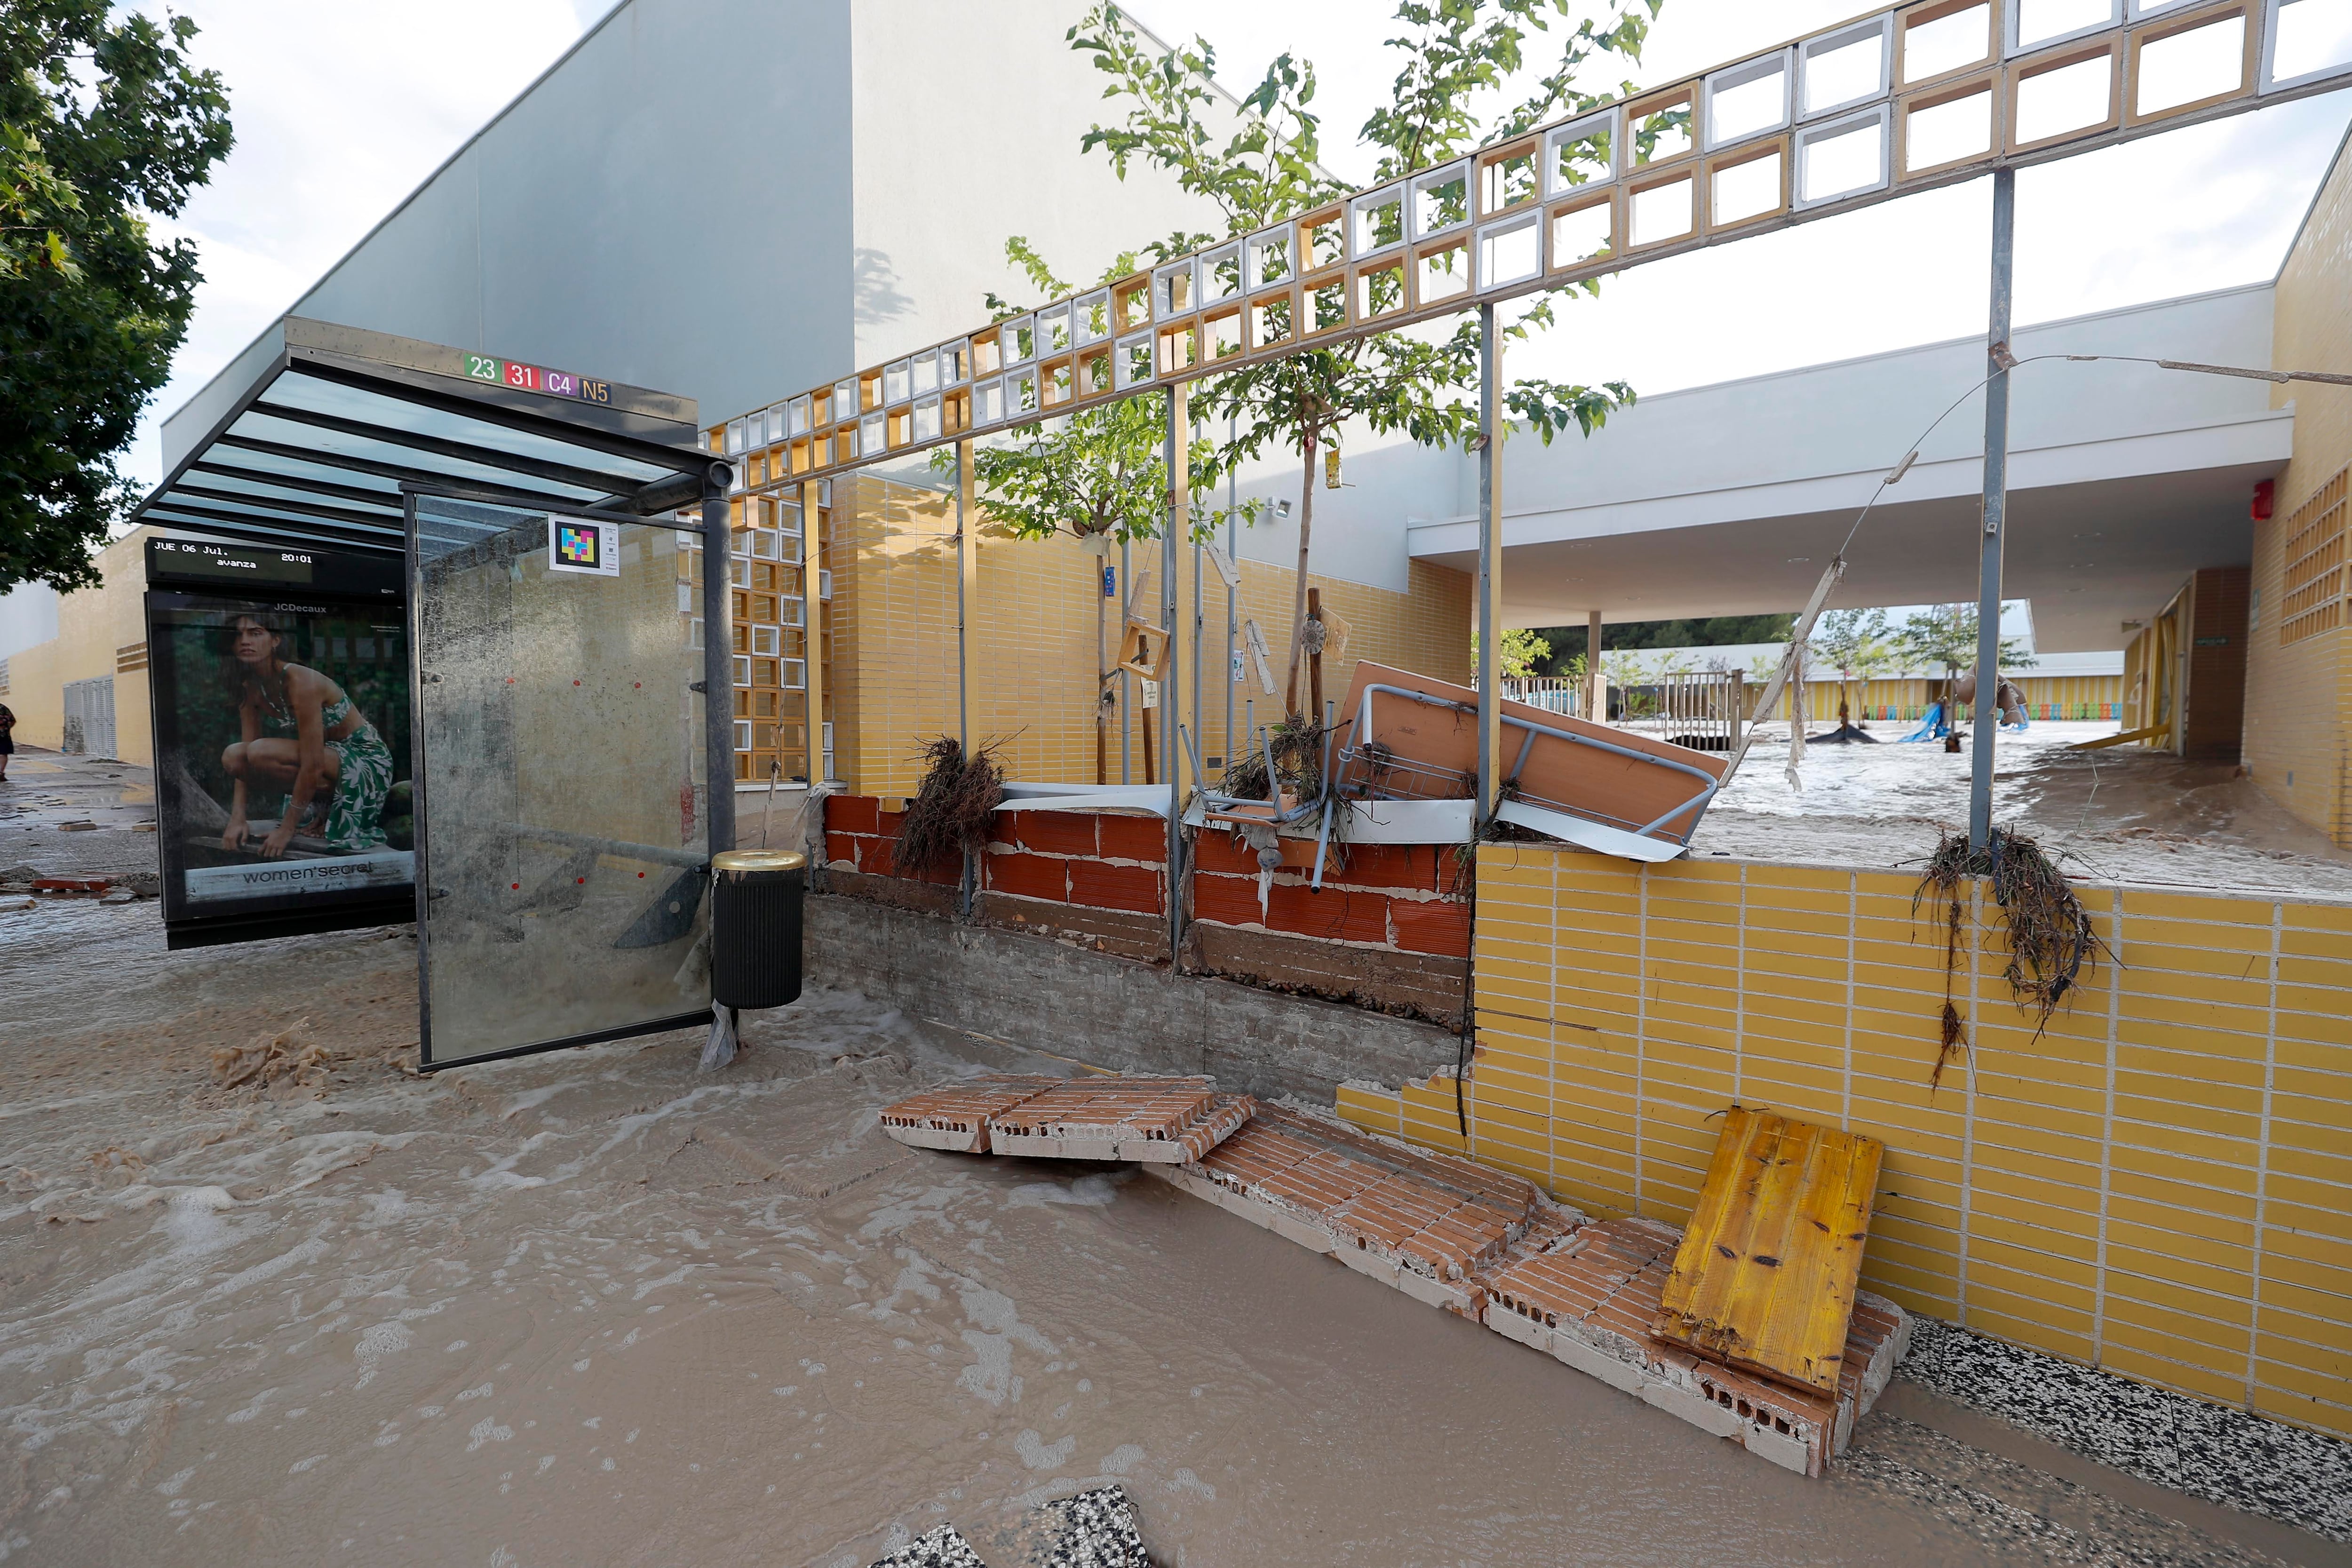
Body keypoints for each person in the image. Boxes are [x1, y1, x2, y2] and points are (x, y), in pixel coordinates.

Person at [217, 613, 393, 860]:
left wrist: (286, 830)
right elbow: (244, 759)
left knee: (260, 751)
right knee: (235, 756)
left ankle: (329, 810)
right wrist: (237, 819)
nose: (245, 641)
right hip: (324, 759)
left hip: (363, 761)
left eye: (256, 633)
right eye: (238, 636)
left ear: (275, 641)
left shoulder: (301, 681)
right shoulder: (250, 688)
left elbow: (314, 762)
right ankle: (325, 807)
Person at [0, 702, 14, 781]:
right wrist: (5, 729)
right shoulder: (3, 707)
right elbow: (13, 720)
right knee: (3, 754)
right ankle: (1, 773)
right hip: (4, 735)